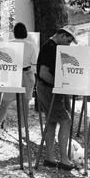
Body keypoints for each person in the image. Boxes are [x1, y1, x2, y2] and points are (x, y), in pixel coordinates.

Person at [0, 22, 37, 137]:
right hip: (27, 74)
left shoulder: (9, 44)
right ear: (25, 33)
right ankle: (24, 131)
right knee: (25, 105)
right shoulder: (30, 45)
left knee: (4, 103)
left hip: (13, 74)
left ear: (14, 33)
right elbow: (34, 62)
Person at [36, 25, 78, 170]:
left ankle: (49, 158)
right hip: (48, 89)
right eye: (69, 40)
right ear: (61, 35)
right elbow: (43, 73)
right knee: (66, 121)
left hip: (48, 88)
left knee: (52, 122)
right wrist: (61, 84)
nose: (69, 44)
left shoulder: (53, 46)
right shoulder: (50, 48)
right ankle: (64, 159)